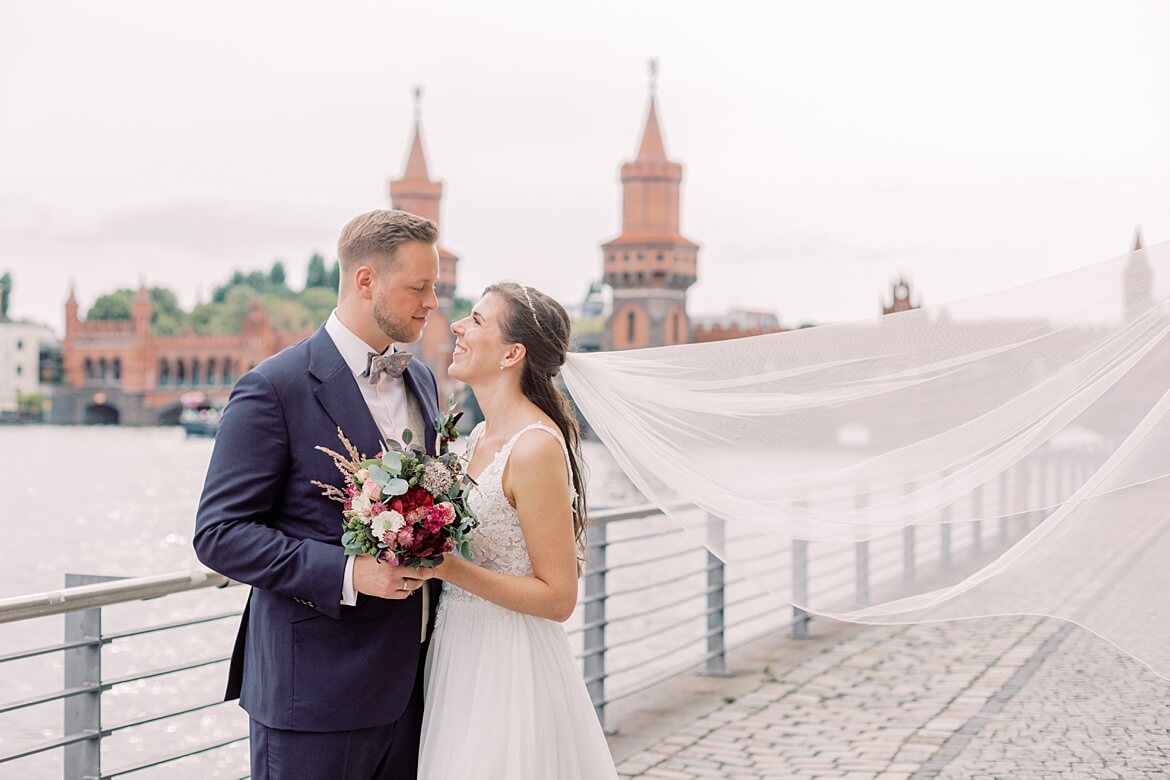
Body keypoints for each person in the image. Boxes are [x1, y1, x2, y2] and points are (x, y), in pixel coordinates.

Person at [194, 209, 443, 779]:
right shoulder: (273, 387)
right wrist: (350, 573)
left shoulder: (422, 380)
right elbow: (219, 535)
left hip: (417, 688)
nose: (431, 302)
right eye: (419, 287)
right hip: (314, 695)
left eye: (435, 287)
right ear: (366, 282)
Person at [417, 282, 618, 778]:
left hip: (510, 669)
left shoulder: (533, 449)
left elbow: (558, 597)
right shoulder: (481, 435)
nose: (458, 328)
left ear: (513, 353)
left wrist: (447, 567)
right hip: (458, 652)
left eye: (477, 320)